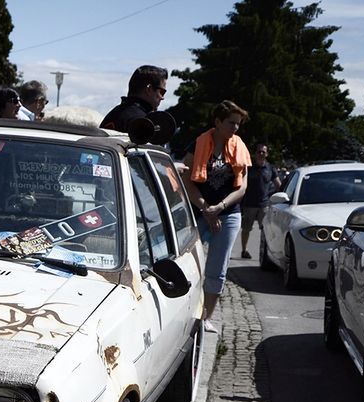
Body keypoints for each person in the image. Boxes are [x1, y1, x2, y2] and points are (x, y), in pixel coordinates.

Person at [181, 100, 251, 334]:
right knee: (188, 263)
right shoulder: (199, 144)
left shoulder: (239, 147)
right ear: (218, 122)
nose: (235, 128)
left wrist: (219, 207)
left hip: (228, 213)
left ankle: (205, 317)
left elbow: (241, 188)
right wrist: (204, 208)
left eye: (238, 124)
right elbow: (186, 180)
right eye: (231, 123)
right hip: (199, 211)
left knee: (217, 269)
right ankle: (185, 311)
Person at [239, 143, 282, 258]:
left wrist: (281, 197)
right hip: (249, 204)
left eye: (263, 152)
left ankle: (266, 253)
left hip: (264, 205)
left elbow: (278, 185)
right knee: (246, 229)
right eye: (259, 151)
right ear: (255, 153)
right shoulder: (249, 167)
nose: (261, 154)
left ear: (267, 154)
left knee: (266, 231)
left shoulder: (270, 168)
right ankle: (244, 250)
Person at [101, 65, 169, 132]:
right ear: (149, 89)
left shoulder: (112, 115)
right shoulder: (145, 123)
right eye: (162, 92)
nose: (162, 98)